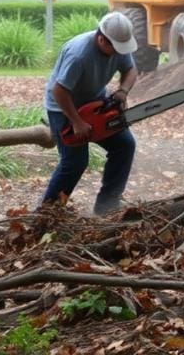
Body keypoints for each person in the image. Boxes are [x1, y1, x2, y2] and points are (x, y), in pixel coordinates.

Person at [40, 11, 139, 215]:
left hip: (94, 100)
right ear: (102, 39)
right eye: (115, 48)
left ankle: (107, 206)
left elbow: (130, 70)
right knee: (75, 162)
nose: (119, 52)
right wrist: (76, 121)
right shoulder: (79, 54)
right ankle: (47, 212)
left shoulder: (118, 45)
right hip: (63, 106)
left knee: (125, 145)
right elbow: (59, 90)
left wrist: (122, 91)